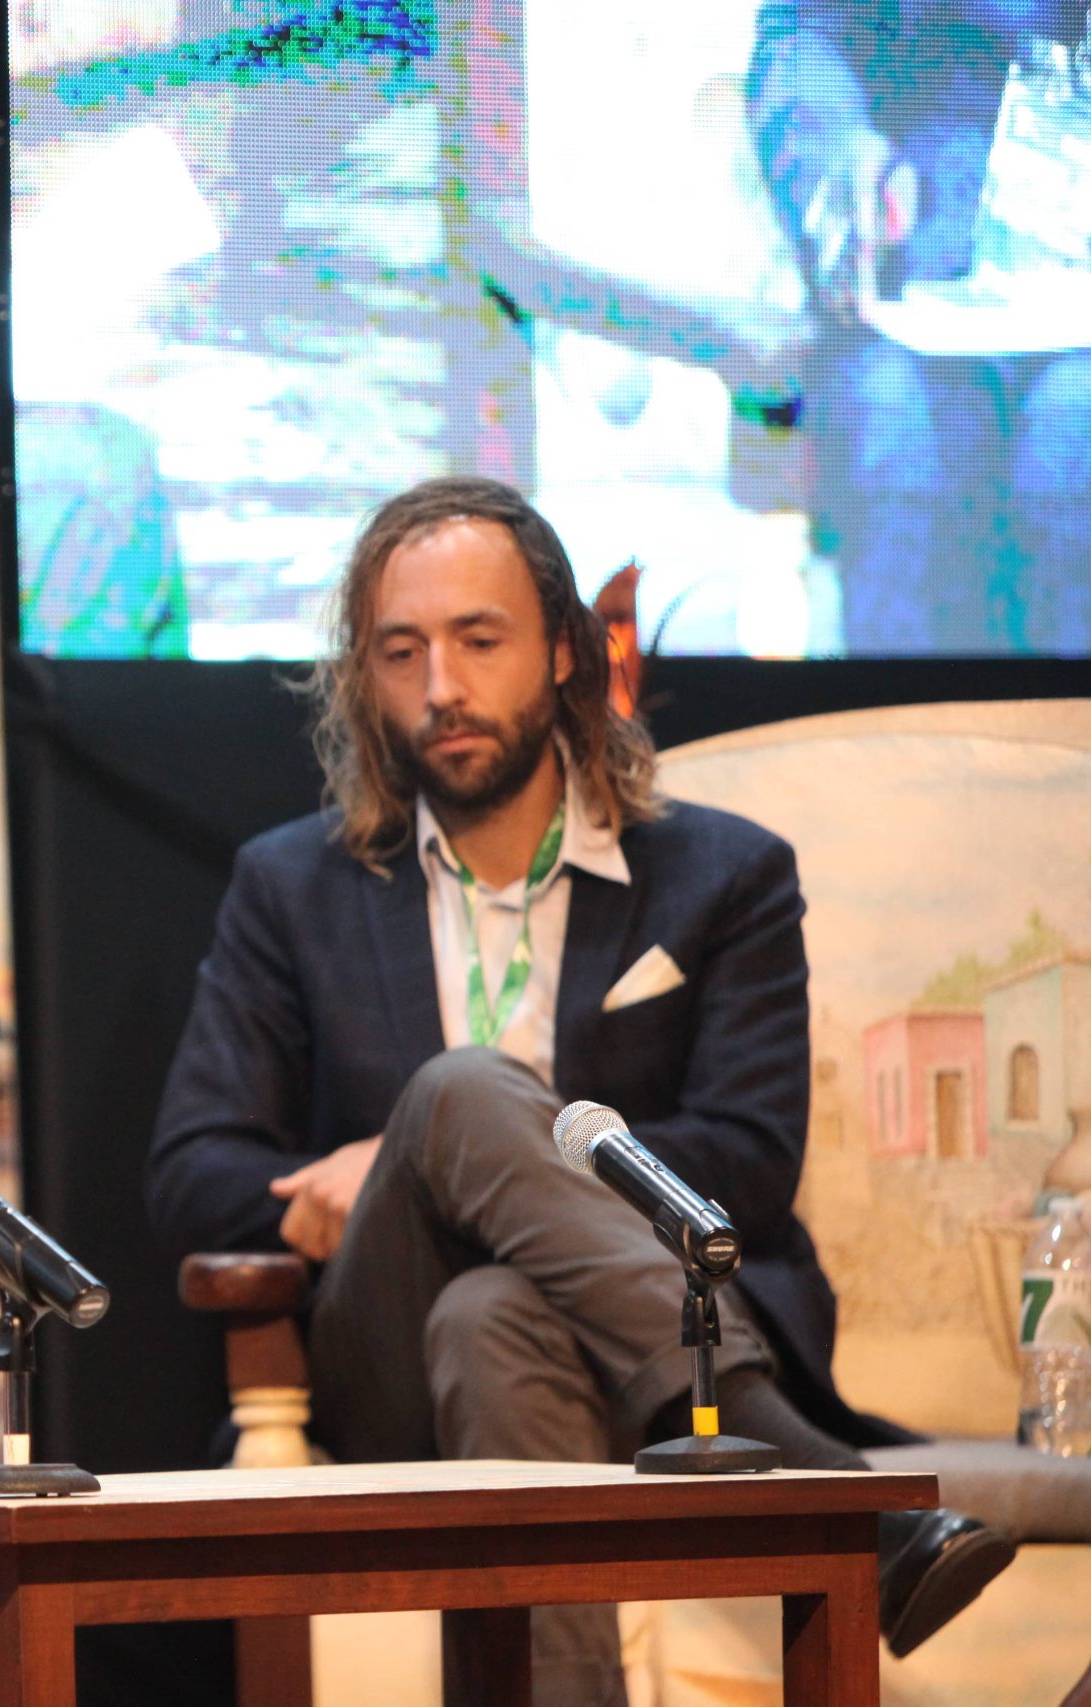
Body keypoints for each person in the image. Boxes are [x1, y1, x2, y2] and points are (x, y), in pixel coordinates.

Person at [147, 476, 1010, 1706]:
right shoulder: (293, 890)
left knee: (492, 1313)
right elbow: (191, 1175)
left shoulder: (722, 875)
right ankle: (815, 1483)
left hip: (619, 1357)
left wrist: (484, 1157)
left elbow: (750, 1157)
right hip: (391, 1365)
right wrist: (383, 1166)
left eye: (477, 640)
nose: (440, 686)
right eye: (401, 651)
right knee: (452, 1100)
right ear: (365, 678)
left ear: (560, 650)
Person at [748, 0, 1091, 653]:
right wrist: (838, 147)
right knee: (893, 425)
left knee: (1074, 432)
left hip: (1074, 273)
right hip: (902, 260)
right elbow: (802, 37)